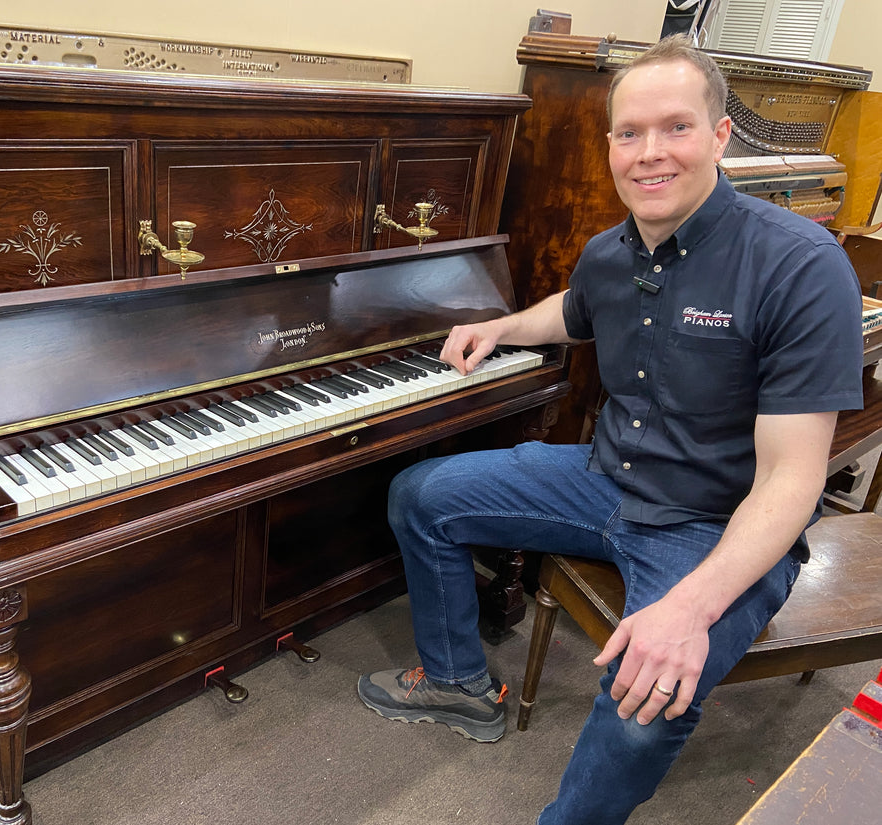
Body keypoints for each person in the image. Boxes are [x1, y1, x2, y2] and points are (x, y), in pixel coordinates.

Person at [357, 34, 865, 824]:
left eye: (676, 128)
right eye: (630, 133)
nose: (649, 153)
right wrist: (499, 328)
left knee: (646, 700)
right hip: (604, 482)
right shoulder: (611, 248)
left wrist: (688, 610)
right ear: (610, 146)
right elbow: (571, 312)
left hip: (717, 524)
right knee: (421, 494)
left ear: (721, 134)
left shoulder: (797, 264)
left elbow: (793, 481)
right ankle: (458, 681)